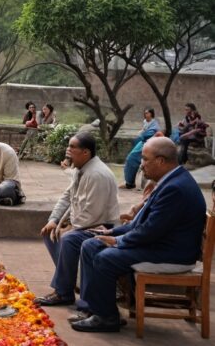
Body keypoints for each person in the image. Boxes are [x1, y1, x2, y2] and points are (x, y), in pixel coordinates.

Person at [71, 137, 207, 332]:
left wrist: (117, 241)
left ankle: (107, 318)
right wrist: (111, 231)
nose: (140, 165)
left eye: (144, 159)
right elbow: (140, 224)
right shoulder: (169, 180)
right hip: (159, 243)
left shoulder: (176, 188)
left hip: (171, 253)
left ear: (160, 161)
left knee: (105, 258)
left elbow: (150, 231)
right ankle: (93, 308)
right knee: (91, 244)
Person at [34, 132, 120, 307]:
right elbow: (67, 197)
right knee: (49, 232)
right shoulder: (81, 170)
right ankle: (69, 282)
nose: (68, 149)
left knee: (68, 238)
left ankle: (63, 291)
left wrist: (72, 227)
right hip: (84, 223)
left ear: (86, 152)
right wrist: (54, 219)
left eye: (72, 147)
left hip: (102, 226)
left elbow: (92, 213)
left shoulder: (97, 175)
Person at [120, 108, 161, 190]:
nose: (146, 115)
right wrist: (140, 132)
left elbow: (149, 135)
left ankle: (130, 183)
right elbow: (143, 131)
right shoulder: (145, 121)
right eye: (145, 113)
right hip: (142, 143)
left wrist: (142, 135)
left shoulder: (155, 125)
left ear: (151, 114)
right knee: (130, 159)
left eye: (147, 113)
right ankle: (129, 182)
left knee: (132, 159)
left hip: (149, 144)